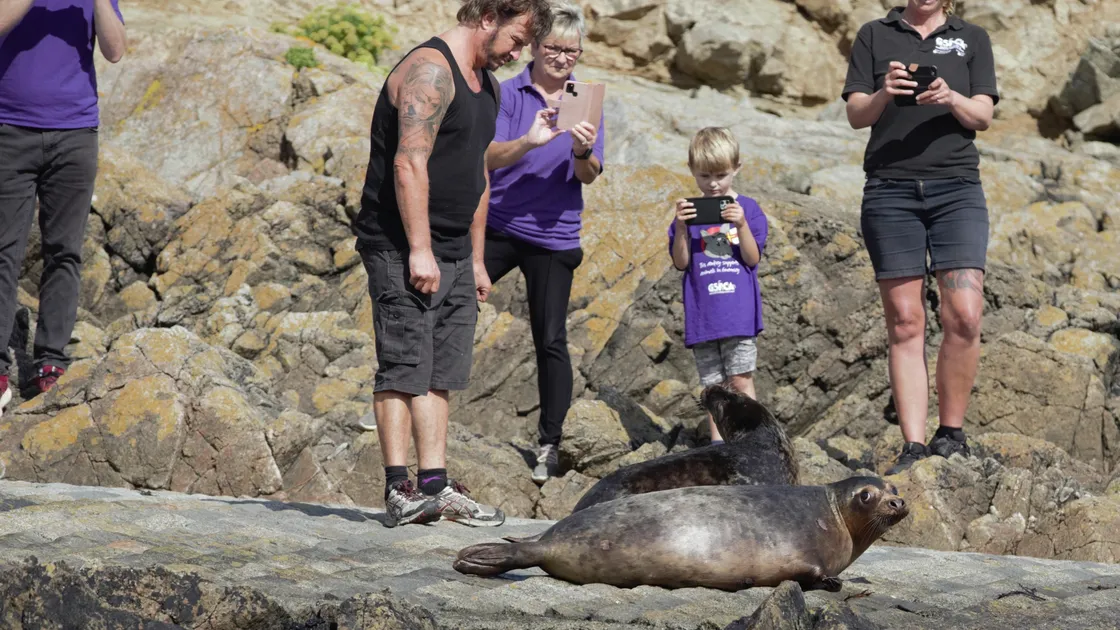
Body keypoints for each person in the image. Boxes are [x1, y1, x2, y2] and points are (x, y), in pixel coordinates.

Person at [353, 0, 552, 527]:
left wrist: (477, 258)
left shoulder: (487, 83)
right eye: (515, 40)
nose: (517, 55)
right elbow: (408, 162)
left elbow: (477, 172)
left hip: (456, 249)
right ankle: (399, 489)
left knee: (440, 371)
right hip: (400, 243)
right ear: (489, 17)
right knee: (402, 365)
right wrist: (419, 248)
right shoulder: (429, 71)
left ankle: (436, 486)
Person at [842, 0, 999, 474]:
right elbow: (856, 115)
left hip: (957, 190)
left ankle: (951, 433)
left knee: (965, 315)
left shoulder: (972, 37)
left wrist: (951, 97)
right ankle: (913, 445)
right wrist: (885, 92)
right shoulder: (874, 33)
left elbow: (983, 116)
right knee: (906, 322)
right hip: (890, 192)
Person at [482, 1, 604, 484]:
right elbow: (489, 158)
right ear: (534, 46)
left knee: (550, 338)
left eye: (571, 51)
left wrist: (582, 149)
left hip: (554, 236)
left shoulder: (586, 99)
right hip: (498, 224)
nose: (561, 58)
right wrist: (531, 141)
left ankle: (550, 444)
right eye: (553, 47)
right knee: (443, 301)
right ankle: (408, 401)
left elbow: (590, 176)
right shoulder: (509, 93)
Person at [0, 0, 126, 422]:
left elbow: (115, 49)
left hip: (75, 133)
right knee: (4, 251)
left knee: (65, 252)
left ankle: (51, 362)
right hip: (9, 129)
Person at [668, 127, 768, 445]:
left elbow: (753, 259)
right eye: (705, 175)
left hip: (738, 315)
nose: (713, 184)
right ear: (692, 172)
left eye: (721, 175)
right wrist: (682, 228)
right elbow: (681, 262)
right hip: (703, 317)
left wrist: (740, 225)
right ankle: (719, 447)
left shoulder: (749, 209)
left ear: (737, 168)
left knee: (740, 380)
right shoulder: (687, 215)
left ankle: (754, 443)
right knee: (713, 388)